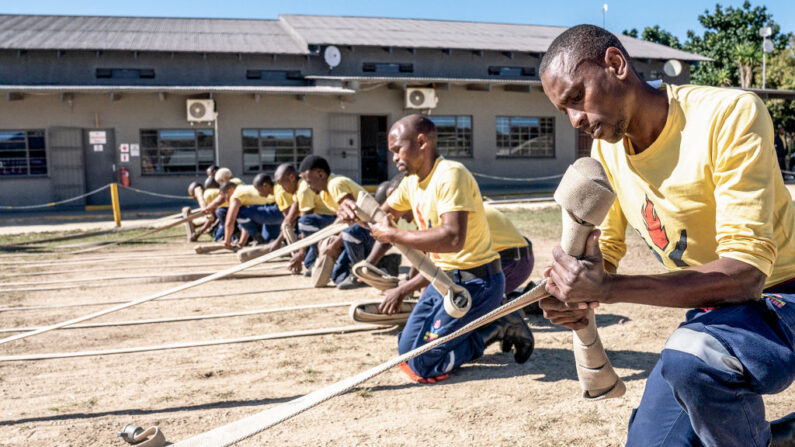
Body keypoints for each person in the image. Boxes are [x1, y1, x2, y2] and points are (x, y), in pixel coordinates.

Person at [538, 24, 795, 447]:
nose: (576, 120)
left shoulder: (728, 114)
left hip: (780, 294)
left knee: (691, 357)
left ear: (616, 65)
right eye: (563, 110)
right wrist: (573, 291)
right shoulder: (607, 150)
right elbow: (608, 254)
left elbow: (746, 273)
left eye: (576, 98)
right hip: (718, 311)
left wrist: (609, 287)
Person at [339, 114, 534, 383]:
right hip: (442, 280)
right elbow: (378, 217)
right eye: (392, 152)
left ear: (421, 142)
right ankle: (475, 331)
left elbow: (452, 238)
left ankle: (495, 328)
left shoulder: (451, 174)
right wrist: (352, 210)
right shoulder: (410, 183)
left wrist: (394, 234)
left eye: (398, 149)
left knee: (423, 365)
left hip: (477, 282)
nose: (394, 157)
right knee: (404, 353)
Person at [299, 155, 375, 289]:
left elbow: (354, 219)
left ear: (321, 174)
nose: (308, 186)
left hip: (372, 231)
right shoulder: (324, 194)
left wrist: (335, 244)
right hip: (360, 230)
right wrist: (327, 237)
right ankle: (384, 262)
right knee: (338, 277)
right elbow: (342, 220)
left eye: (309, 181)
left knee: (349, 234)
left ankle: (362, 275)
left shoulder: (335, 184)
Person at [274, 163, 337, 275]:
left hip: (332, 220)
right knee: (308, 263)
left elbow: (305, 220)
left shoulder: (304, 189)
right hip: (324, 220)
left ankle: (323, 258)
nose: (282, 188)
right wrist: (288, 220)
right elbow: (296, 204)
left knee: (305, 223)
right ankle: (315, 263)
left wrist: (301, 252)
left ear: (292, 177)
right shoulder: (299, 187)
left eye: (282, 184)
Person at [221, 173, 283, 249]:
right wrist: (241, 243)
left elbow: (229, 221)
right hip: (275, 209)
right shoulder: (244, 189)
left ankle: (258, 238)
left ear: (230, 190)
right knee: (268, 242)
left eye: (224, 195)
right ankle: (265, 239)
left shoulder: (235, 196)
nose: (225, 199)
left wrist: (227, 241)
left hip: (277, 211)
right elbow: (245, 224)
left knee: (240, 213)